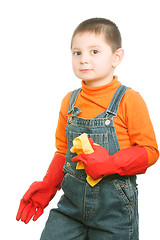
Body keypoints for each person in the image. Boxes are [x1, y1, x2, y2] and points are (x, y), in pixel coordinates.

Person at [16, 18, 159, 240]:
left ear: (116, 57)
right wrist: (48, 185)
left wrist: (110, 163)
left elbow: (150, 151)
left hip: (114, 213)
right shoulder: (69, 102)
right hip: (70, 208)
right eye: (77, 53)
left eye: (94, 51)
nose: (84, 59)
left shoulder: (129, 100)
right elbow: (63, 152)